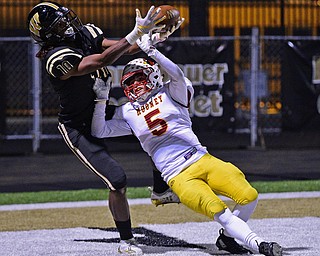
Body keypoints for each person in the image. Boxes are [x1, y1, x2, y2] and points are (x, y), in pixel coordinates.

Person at [90, 33, 283, 256]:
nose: (134, 85)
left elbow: (178, 74)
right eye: (129, 82)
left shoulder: (171, 92)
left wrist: (152, 52)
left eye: (138, 78)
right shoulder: (128, 111)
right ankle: (260, 244)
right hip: (177, 175)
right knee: (219, 211)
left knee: (249, 196)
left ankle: (226, 240)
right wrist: (101, 100)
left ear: (153, 75)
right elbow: (99, 130)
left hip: (202, 158)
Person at [27, 1, 181, 255]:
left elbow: (123, 49)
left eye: (65, 18)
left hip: (102, 111)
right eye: (59, 24)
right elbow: (98, 61)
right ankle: (126, 241)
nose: (67, 23)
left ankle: (161, 189)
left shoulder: (85, 32)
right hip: (78, 127)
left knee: (155, 128)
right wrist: (133, 33)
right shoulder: (55, 58)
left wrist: (152, 37)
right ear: (48, 34)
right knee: (117, 181)